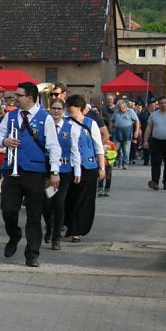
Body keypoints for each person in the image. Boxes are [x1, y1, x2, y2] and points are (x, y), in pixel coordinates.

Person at [0, 82, 61, 267]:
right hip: (12, 169)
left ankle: (32, 253)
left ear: (30, 97)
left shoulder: (45, 118)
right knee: (8, 209)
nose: (15, 98)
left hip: (35, 172)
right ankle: (14, 235)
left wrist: (54, 172)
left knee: (34, 215)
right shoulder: (10, 115)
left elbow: (53, 146)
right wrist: (5, 140)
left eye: (18, 95)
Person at [62, 95, 106, 243]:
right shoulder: (65, 123)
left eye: (71, 106)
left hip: (88, 166)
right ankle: (69, 224)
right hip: (70, 166)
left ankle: (77, 230)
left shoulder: (90, 123)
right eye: (67, 106)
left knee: (84, 199)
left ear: (79, 107)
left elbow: (98, 146)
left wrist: (101, 167)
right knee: (70, 198)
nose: (68, 109)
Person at [41, 97, 79, 251]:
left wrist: (77, 170)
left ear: (64, 111)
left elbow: (75, 150)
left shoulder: (71, 128)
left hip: (64, 171)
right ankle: (49, 226)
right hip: (46, 170)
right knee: (46, 203)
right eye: (54, 108)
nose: (56, 111)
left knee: (59, 203)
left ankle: (57, 237)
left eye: (59, 108)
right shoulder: (45, 126)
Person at [111, 99, 140, 169]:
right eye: (119, 107)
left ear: (125, 106)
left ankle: (125, 164)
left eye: (121, 107)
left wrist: (136, 131)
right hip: (117, 133)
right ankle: (117, 162)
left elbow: (137, 121)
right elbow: (112, 120)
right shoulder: (116, 112)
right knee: (117, 149)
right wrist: (111, 129)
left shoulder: (130, 111)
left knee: (126, 150)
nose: (120, 109)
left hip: (127, 133)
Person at [139, 98, 156, 165]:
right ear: (149, 105)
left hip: (154, 133)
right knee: (145, 146)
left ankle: (153, 160)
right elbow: (139, 122)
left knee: (154, 147)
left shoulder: (156, 113)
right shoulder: (143, 113)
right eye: (154, 104)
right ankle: (146, 160)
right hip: (145, 132)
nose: (155, 106)